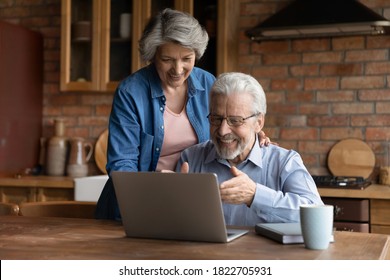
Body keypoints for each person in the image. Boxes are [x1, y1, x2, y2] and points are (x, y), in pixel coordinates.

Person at [95, 9, 270, 220]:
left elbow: (229, 125)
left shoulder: (208, 83)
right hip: (138, 204)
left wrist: (252, 135)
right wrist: (156, 186)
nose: (178, 69)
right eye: (167, 59)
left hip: (191, 203)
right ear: (152, 56)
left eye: (187, 58)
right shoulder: (130, 92)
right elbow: (121, 165)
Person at [176, 72, 323, 226]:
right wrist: (171, 200)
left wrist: (255, 195)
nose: (222, 131)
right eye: (216, 119)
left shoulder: (284, 162)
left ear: (258, 123)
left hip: (264, 251)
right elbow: (174, 223)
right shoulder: (191, 158)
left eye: (235, 121)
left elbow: (316, 215)